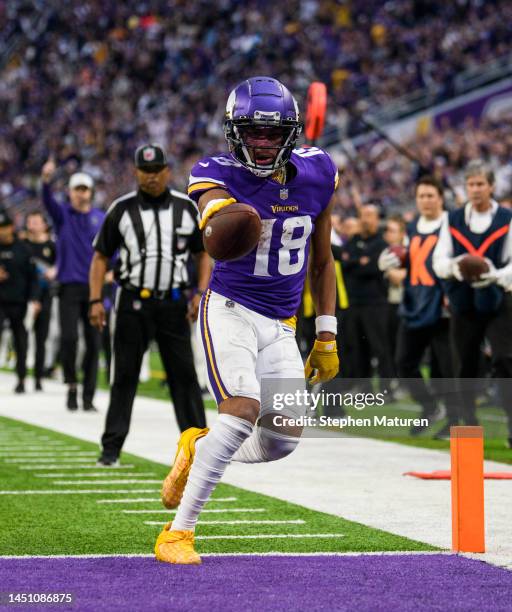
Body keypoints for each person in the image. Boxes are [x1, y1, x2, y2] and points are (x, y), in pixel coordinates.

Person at [153, 76, 339, 565]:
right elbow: (213, 214)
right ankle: (178, 533)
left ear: (291, 134)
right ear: (234, 132)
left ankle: (198, 449)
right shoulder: (214, 170)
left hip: (280, 323)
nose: (260, 142)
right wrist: (225, 216)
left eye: (271, 133)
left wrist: (326, 335)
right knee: (241, 411)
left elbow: (323, 260)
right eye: (252, 132)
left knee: (281, 440)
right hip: (230, 309)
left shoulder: (320, 172)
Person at [89, 143, 210, 467]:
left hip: (172, 304)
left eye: (157, 170)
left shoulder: (187, 208)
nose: (152, 177)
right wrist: (96, 299)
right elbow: (100, 256)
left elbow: (204, 254)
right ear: (136, 172)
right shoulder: (121, 208)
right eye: (146, 171)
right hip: (132, 302)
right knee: (124, 376)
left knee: (184, 378)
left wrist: (200, 293)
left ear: (167, 170)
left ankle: (197, 450)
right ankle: (111, 449)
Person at [433, 160, 512, 446]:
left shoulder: (507, 218)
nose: (476, 189)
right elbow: (439, 261)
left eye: (481, 184)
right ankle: (468, 426)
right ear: (466, 188)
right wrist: (458, 267)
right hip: (463, 299)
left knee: (505, 359)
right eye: (471, 184)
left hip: (497, 297)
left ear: (491, 187)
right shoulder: (451, 219)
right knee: (464, 364)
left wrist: (493, 273)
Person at [380, 176, 458, 437]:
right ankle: (429, 406)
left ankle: (454, 419)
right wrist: (394, 266)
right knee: (404, 363)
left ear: (440, 197)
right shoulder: (413, 227)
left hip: (442, 304)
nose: (425, 200)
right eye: (421, 196)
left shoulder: (451, 224)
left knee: (446, 367)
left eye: (430, 195)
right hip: (414, 301)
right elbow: (413, 264)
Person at [40, 162, 105, 411]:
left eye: (85, 189)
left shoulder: (101, 218)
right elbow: (47, 201)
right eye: (77, 189)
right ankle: (71, 385)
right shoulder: (62, 215)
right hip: (68, 287)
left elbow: (113, 251)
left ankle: (88, 395)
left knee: (93, 343)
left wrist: (110, 274)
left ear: (91, 192)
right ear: (70, 192)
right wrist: (45, 180)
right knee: (68, 338)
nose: (81, 193)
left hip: (94, 289)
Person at [340, 205, 395, 384]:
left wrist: (358, 263)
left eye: (370, 215)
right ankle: (364, 387)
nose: (366, 219)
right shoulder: (352, 241)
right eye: (363, 215)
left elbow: (374, 268)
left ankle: (388, 387)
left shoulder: (382, 243)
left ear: (377, 219)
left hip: (376, 303)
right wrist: (362, 262)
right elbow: (345, 264)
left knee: (380, 346)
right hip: (354, 303)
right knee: (358, 347)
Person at [0, 209, 41, 393]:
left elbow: (33, 278)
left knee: (20, 340)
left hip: (18, 301)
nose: (1, 231)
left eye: (4, 227)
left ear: (11, 228)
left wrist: (34, 299)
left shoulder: (23, 249)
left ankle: (21, 378)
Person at [23, 211, 57, 391]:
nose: (32, 225)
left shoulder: (52, 246)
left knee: (42, 338)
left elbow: (62, 265)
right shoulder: (22, 244)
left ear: (44, 224)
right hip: (24, 297)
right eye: (29, 221)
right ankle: (21, 377)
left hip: (46, 296)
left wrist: (55, 271)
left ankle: (38, 377)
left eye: (36, 221)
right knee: (21, 336)